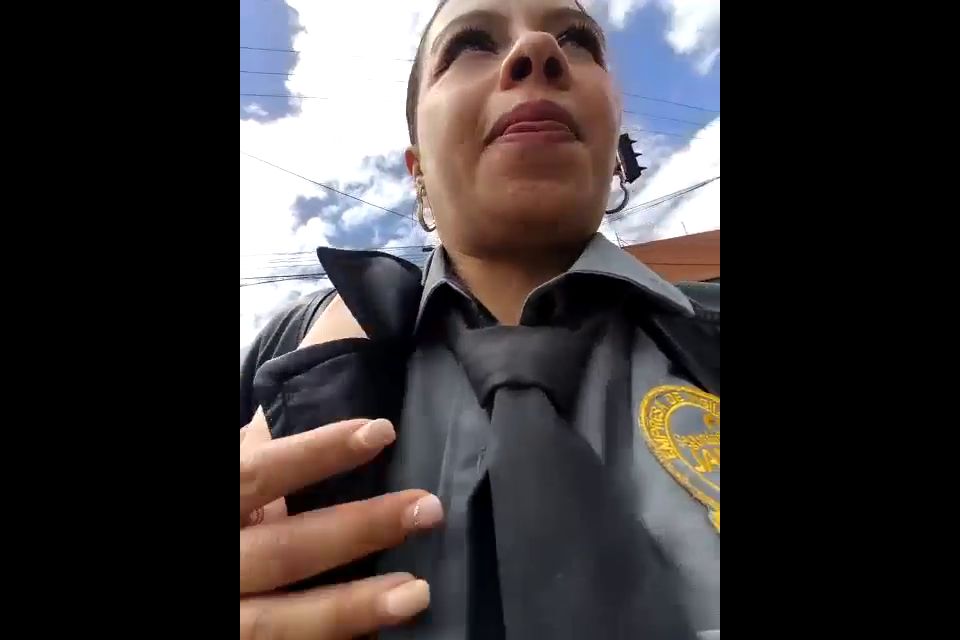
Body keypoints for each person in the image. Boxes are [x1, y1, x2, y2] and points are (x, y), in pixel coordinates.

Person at [239, 0, 720, 638]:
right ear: (417, 176)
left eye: (578, 41)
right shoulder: (291, 358)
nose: (539, 51)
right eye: (470, 46)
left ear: (615, 152)